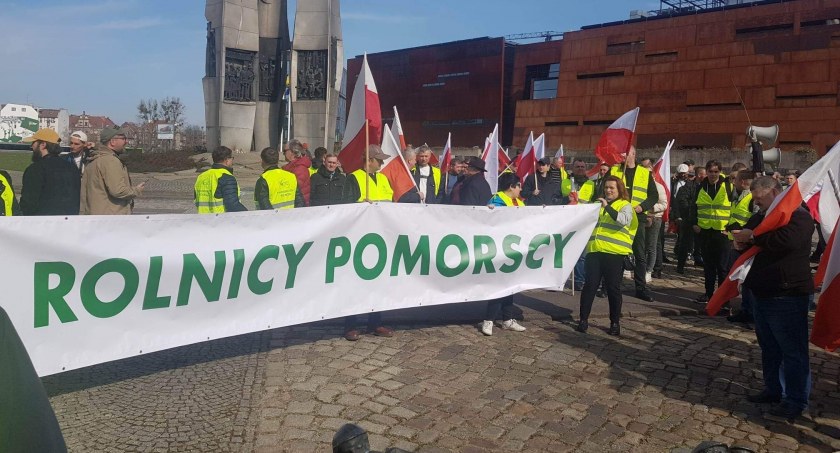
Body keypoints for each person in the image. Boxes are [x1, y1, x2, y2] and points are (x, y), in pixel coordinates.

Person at [733, 176, 812, 421]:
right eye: (754, 199)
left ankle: (795, 399)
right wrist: (741, 241)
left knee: (792, 351)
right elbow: (749, 234)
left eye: (760, 198)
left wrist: (754, 238)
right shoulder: (761, 216)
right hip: (762, 292)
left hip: (787, 293)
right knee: (769, 347)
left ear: (776, 191)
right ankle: (773, 389)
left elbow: (787, 241)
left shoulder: (798, 215)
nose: (757, 204)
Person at [343, 147, 395, 341]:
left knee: (378, 282)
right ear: (369, 160)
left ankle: (375, 322)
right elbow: (344, 207)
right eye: (379, 160)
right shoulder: (353, 178)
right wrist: (360, 206)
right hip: (359, 238)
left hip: (381, 237)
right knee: (355, 282)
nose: (381, 164)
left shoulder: (382, 179)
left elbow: (391, 201)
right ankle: (351, 324)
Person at [577, 176, 638, 336]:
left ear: (619, 190)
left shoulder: (626, 206)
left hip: (614, 254)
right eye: (606, 188)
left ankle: (615, 323)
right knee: (589, 286)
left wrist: (607, 207)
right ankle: (583, 320)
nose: (608, 190)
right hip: (595, 251)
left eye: (612, 188)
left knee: (613, 289)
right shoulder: (598, 205)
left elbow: (623, 220)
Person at [481, 172, 527, 336]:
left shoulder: (518, 202)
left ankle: (507, 320)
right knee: (499, 286)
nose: (520, 189)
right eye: (519, 186)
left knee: (510, 286)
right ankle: (489, 320)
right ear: (511, 187)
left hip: (513, 250)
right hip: (499, 249)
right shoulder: (496, 200)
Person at [609, 145, 657, 302]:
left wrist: (642, 207)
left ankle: (641, 288)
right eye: (622, 152)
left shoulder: (644, 172)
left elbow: (653, 195)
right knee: (615, 252)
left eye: (627, 153)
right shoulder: (615, 170)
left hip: (637, 218)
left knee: (639, 254)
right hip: (618, 216)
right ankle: (608, 286)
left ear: (634, 155)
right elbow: (605, 190)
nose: (623, 155)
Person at [690, 160, 733, 304]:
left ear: (720, 172)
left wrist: (731, 228)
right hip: (705, 231)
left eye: (716, 171)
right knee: (708, 267)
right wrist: (694, 223)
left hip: (722, 232)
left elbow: (734, 208)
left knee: (722, 268)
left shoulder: (728, 186)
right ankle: (708, 294)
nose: (713, 174)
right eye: (711, 171)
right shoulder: (700, 187)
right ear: (706, 172)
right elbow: (693, 207)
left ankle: (722, 298)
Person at [80, 126, 144, 215]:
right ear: (112, 142)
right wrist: (137, 190)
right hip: (111, 219)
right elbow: (118, 191)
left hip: (96, 217)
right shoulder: (110, 161)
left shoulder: (94, 158)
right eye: (123, 138)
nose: (126, 141)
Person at [20, 129, 81, 215]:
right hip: (68, 223)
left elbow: (28, 203)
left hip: (42, 223)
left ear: (43, 144)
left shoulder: (36, 169)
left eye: (33, 143)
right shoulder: (72, 168)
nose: (32, 146)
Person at [725, 171, 756, 323]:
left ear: (743, 182)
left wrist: (745, 237)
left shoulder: (752, 198)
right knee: (742, 280)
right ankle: (745, 310)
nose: (733, 182)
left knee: (749, 279)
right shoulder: (738, 196)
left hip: (747, 244)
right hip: (736, 242)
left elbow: (757, 221)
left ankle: (751, 314)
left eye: (735, 179)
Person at [194, 146, 248, 213]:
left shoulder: (201, 177)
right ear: (226, 160)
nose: (232, 160)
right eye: (231, 158)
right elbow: (233, 205)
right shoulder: (226, 177)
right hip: (221, 220)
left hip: (203, 220)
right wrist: (248, 215)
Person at [644, 177, 668, 282]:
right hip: (641, 217)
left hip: (654, 218)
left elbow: (664, 204)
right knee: (641, 245)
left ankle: (649, 271)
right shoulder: (640, 185)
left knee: (651, 246)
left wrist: (650, 207)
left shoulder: (659, 186)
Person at [282, 139, 312, 206]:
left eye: (285, 151)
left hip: (299, 206)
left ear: (293, 151)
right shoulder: (293, 166)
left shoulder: (300, 169)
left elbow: (291, 189)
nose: (283, 153)